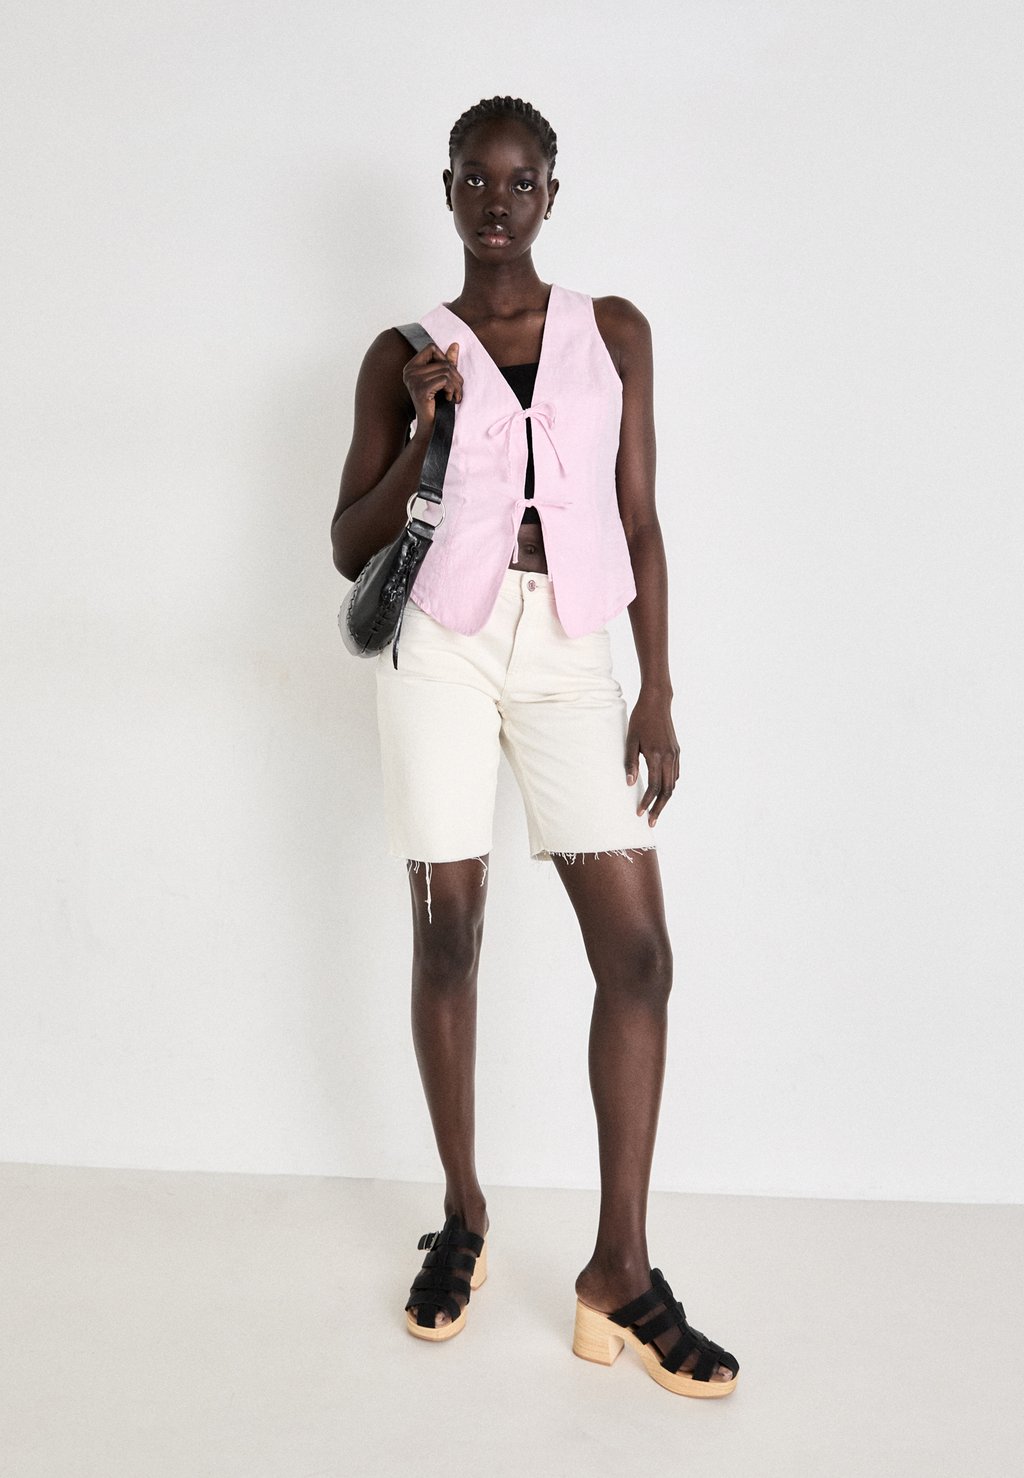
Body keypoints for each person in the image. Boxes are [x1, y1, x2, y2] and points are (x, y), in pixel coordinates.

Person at [331, 95, 739, 1398]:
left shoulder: (613, 331)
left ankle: (620, 1269)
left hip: (571, 649)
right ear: (447, 190)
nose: (496, 201)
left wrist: (655, 688)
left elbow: (641, 517)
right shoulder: (403, 350)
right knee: (449, 932)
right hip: (441, 647)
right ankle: (463, 1212)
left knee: (640, 955)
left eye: (520, 181)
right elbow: (347, 542)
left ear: (551, 193)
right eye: (474, 178)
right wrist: (424, 428)